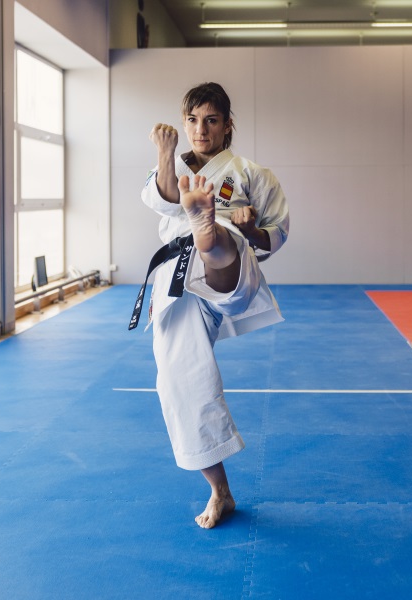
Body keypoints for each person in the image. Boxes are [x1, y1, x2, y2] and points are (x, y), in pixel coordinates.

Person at [138, 82, 289, 528]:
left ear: (227, 126)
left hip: (233, 266)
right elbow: (162, 198)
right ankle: (219, 490)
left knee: (221, 241)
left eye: (211, 120)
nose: (200, 129)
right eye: (192, 120)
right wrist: (165, 153)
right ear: (183, 124)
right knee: (176, 378)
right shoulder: (169, 167)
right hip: (177, 280)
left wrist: (251, 226)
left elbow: (276, 234)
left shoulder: (252, 174)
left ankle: (210, 228)